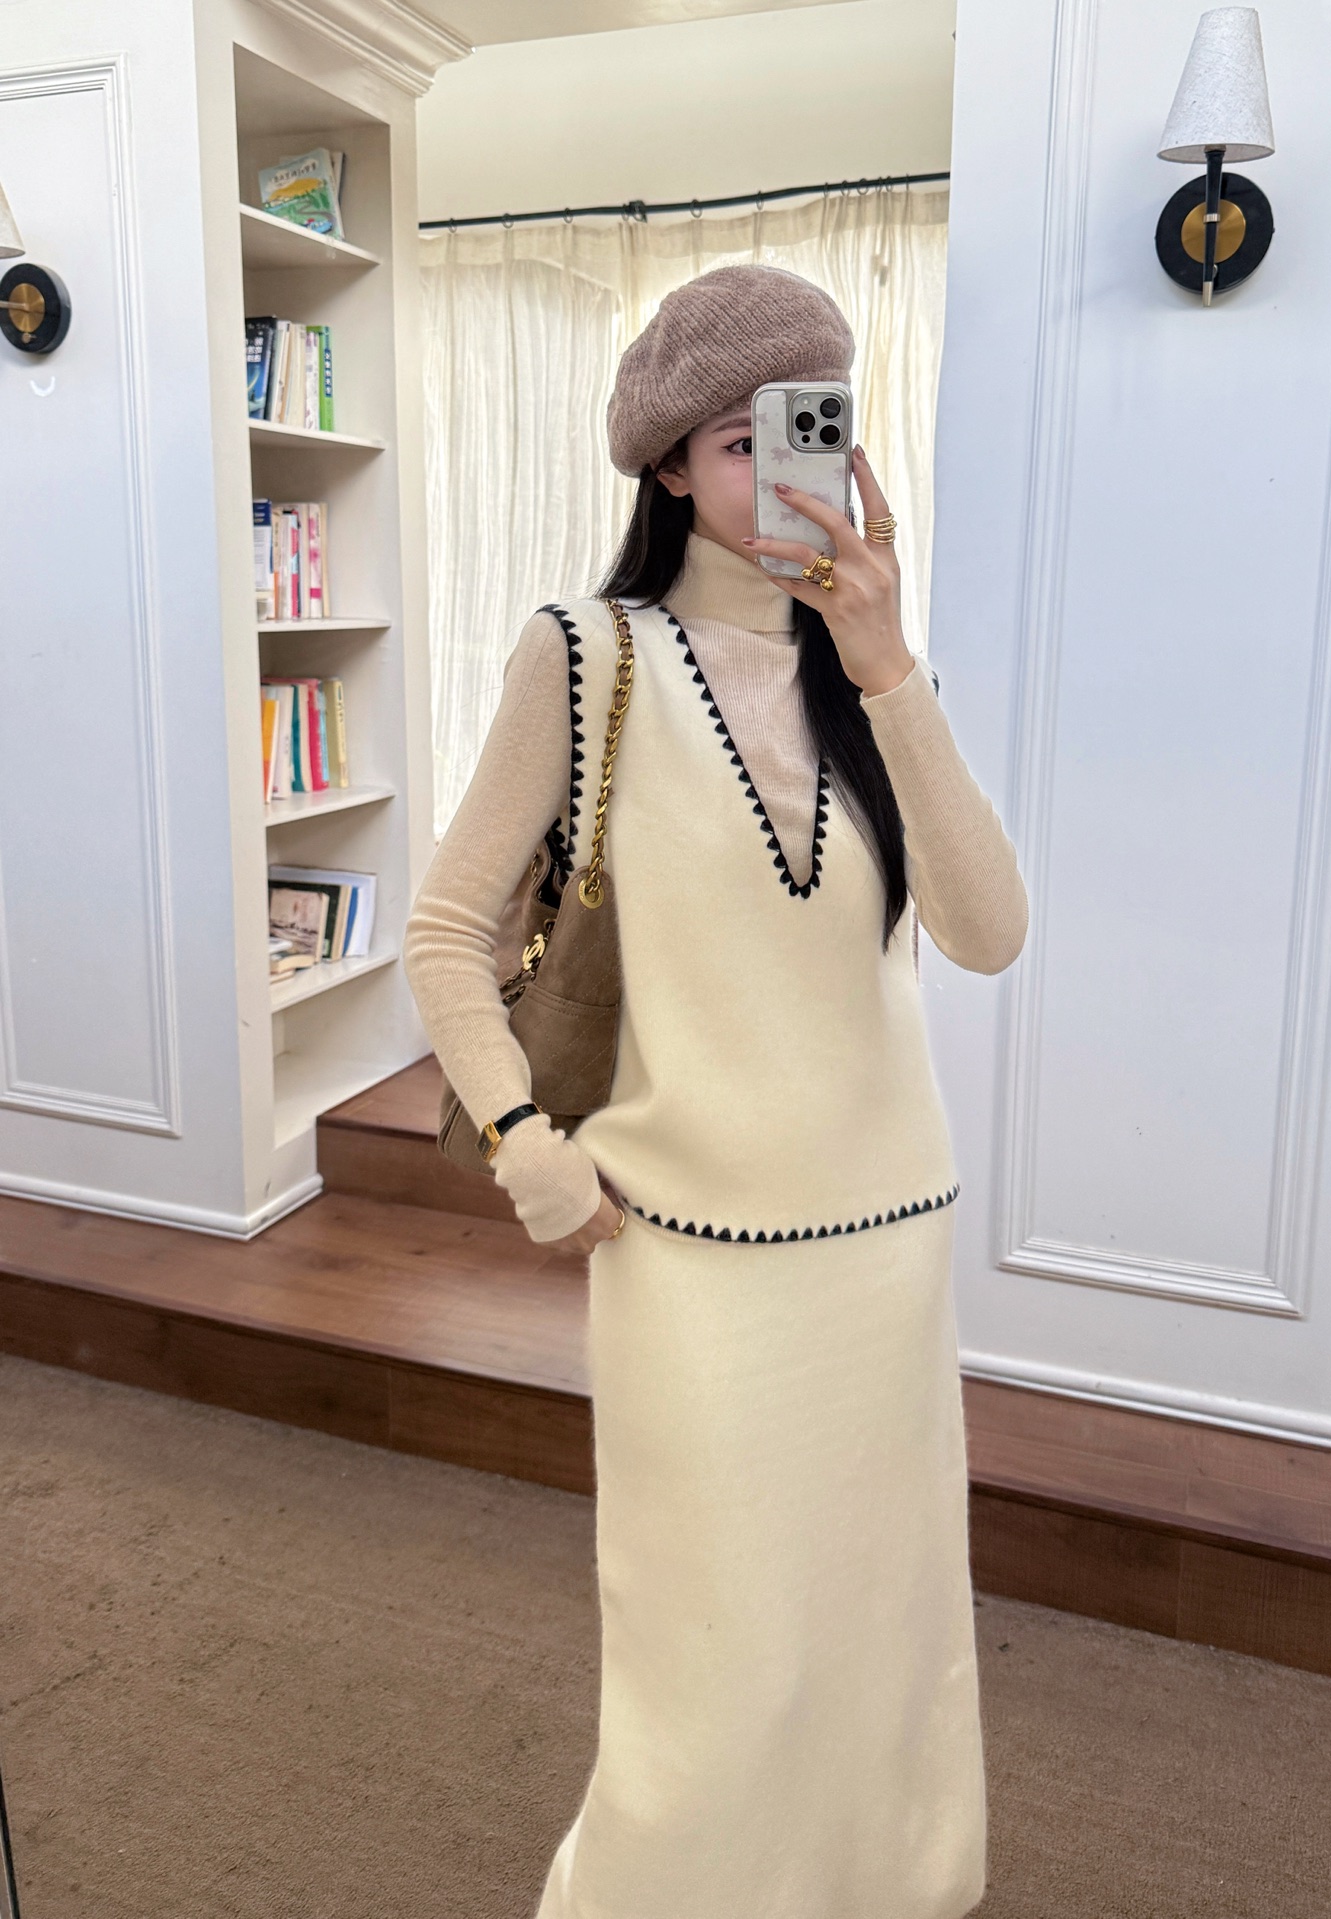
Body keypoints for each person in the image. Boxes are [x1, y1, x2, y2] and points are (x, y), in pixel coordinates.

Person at [403, 262, 1028, 1919]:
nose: (780, 471)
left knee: (885, 1628)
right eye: (741, 442)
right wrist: (525, 1142)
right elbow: (449, 929)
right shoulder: (585, 656)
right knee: (714, 1652)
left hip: (885, 1245)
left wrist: (888, 664)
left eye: (811, 428)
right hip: (690, 1254)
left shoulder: (870, 678)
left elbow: (989, 933)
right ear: (669, 465)